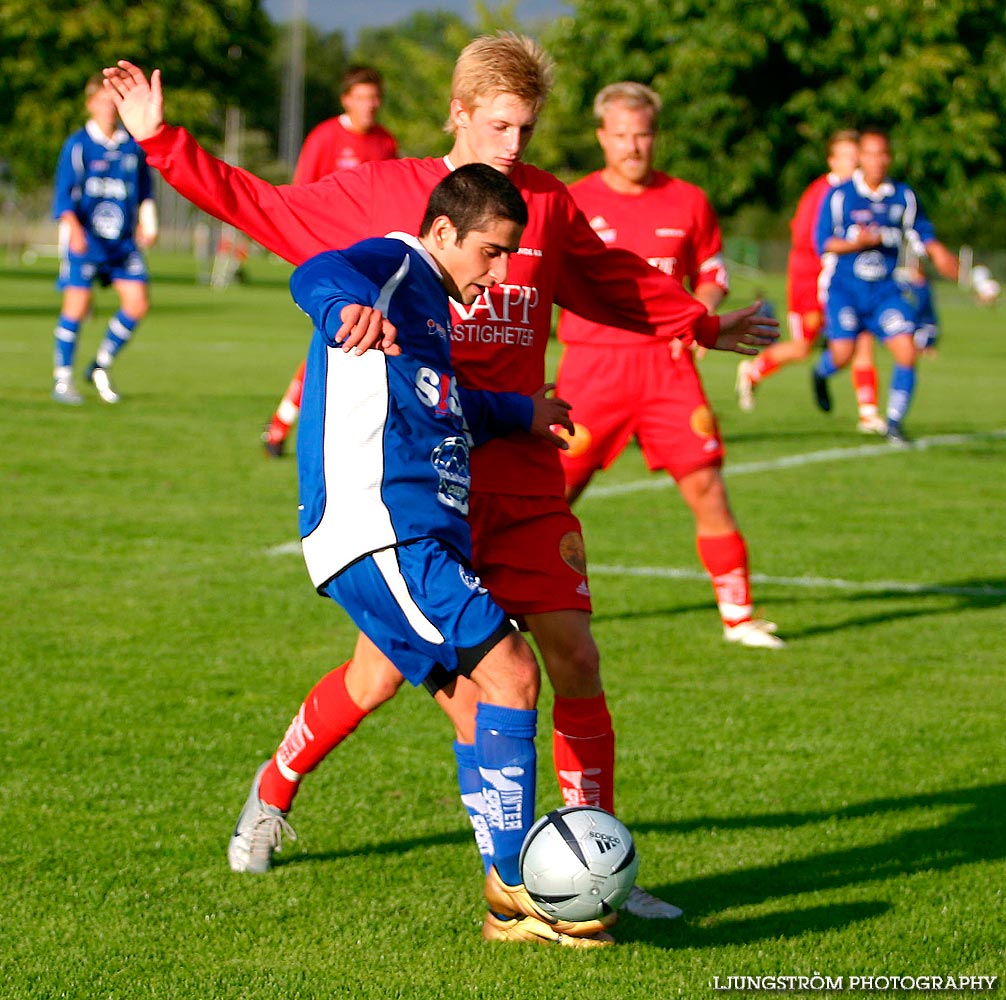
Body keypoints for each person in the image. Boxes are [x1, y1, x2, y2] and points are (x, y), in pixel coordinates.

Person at [103, 35, 777, 922]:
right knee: (380, 679)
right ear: (458, 112)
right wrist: (163, 147)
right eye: (499, 124)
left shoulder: (544, 202)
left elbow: (609, 277)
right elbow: (265, 211)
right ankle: (275, 787)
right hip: (417, 483)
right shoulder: (383, 197)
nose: (513, 146)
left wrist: (698, 322)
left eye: (527, 130)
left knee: (572, 654)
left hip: (523, 467)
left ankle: (589, 862)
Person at [254, 162, 611, 946]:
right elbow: (317, 270)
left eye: (511, 254)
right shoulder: (396, 265)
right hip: (381, 528)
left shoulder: (435, 317)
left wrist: (524, 410)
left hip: (412, 534)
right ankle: (519, 885)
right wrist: (344, 305)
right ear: (443, 232)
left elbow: (449, 400)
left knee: (477, 704)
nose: (502, 270)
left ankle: (505, 905)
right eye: (491, 251)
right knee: (514, 672)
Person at [554, 82, 783, 650]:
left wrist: (701, 314)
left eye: (644, 135)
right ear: (603, 137)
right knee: (549, 496)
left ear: (656, 137)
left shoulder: (689, 200)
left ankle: (739, 618)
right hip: (593, 368)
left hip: (668, 367)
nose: (634, 147)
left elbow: (711, 273)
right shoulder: (570, 200)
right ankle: (505, 604)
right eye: (622, 136)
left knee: (707, 487)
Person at [263, 65, 398, 457]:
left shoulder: (386, 142)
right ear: (346, 100)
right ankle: (288, 428)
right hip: (332, 265)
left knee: (346, 346)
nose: (369, 105)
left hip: (373, 267)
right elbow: (299, 196)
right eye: (362, 97)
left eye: (375, 98)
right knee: (340, 343)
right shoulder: (325, 139)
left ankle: (282, 427)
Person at [810, 127, 962, 446]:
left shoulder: (902, 197)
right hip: (846, 291)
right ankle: (820, 374)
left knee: (906, 349)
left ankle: (893, 422)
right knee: (842, 354)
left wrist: (941, 255)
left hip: (884, 293)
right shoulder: (840, 196)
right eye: (869, 153)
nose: (876, 161)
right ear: (860, 158)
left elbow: (923, 236)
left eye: (882, 154)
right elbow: (823, 243)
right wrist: (858, 243)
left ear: (889, 158)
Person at [734, 131, 889, 432]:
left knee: (862, 340)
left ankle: (869, 413)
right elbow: (807, 243)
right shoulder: (822, 193)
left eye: (857, 156)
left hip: (848, 283)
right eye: (847, 156)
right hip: (812, 281)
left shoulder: (859, 193)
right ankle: (753, 370)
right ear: (832, 161)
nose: (854, 162)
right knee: (804, 346)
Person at [50, 74, 157, 405]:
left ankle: (100, 364)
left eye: (114, 102)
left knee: (138, 303)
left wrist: (148, 223)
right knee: (77, 306)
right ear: (90, 104)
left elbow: (145, 191)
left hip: (121, 244)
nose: (109, 108)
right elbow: (64, 197)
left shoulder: (130, 147)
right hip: (87, 242)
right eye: (103, 101)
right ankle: (62, 379)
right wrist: (75, 230)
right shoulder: (78, 145)